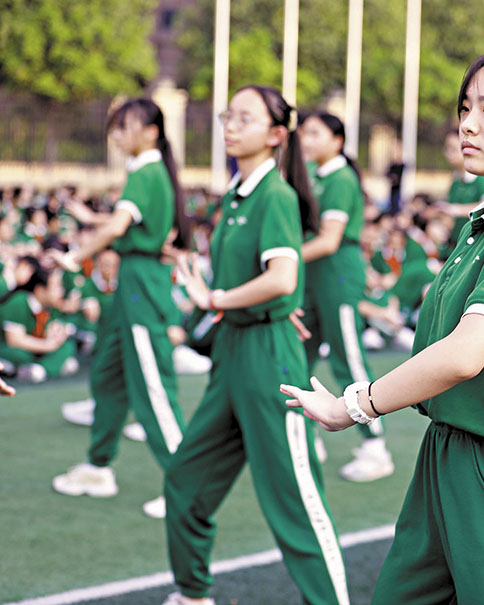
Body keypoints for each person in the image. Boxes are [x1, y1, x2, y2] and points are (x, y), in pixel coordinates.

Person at [282, 48, 484, 604]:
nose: (467, 124)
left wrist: (353, 406)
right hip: (447, 457)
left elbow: (462, 355)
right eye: (464, 107)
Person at [163, 85, 348, 605]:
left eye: (245, 118)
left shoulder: (275, 195)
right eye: (228, 116)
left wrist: (216, 296)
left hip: (269, 361)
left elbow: (282, 276)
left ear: (274, 135)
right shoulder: (239, 193)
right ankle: (194, 594)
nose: (230, 125)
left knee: (295, 505)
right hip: (233, 355)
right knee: (184, 480)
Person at [51, 98, 190, 518]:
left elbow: (118, 227)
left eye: (124, 126)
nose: (116, 134)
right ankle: (97, 466)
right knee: (109, 378)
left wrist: (76, 256)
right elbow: (123, 225)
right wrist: (90, 221)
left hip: (140, 288)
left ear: (150, 131)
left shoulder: (145, 171)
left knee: (153, 391)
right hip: (131, 284)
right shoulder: (147, 172)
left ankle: (186, 487)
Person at [299, 111, 394, 482]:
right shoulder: (316, 176)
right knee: (297, 354)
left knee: (347, 358)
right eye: (304, 133)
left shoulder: (339, 178)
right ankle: (306, 434)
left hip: (336, 273)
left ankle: (375, 447)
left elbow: (329, 240)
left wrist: (283, 260)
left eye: (314, 133)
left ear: (337, 141)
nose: (305, 140)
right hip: (314, 276)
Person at [437, 128, 484, 245]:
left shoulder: (480, 178)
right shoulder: (455, 179)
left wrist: (454, 210)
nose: (449, 153)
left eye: (453, 148)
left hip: (474, 242)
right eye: (447, 148)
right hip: (455, 242)